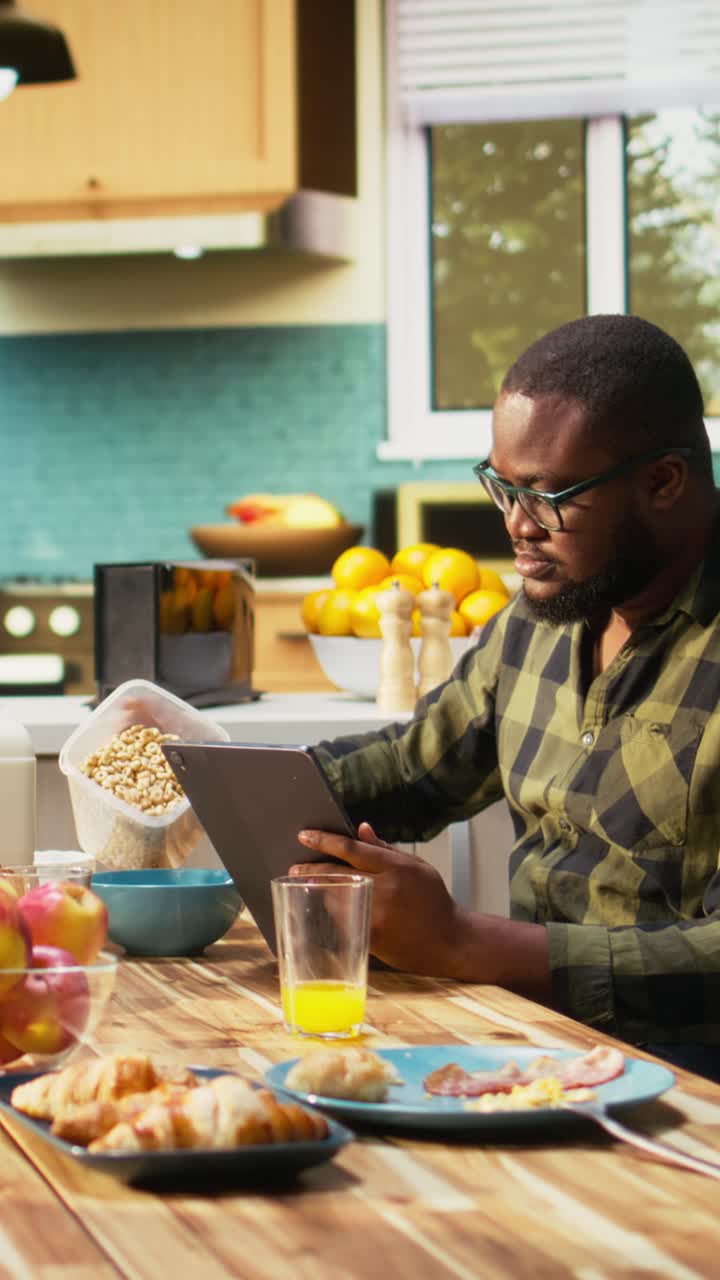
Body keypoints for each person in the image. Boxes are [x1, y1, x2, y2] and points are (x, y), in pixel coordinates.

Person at [291, 313, 720, 1081]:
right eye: (502, 485)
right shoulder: (545, 613)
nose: (517, 528)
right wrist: (220, 784)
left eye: (551, 496)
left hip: (685, 1086)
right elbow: (415, 766)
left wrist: (461, 941)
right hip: (528, 1058)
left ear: (663, 482)